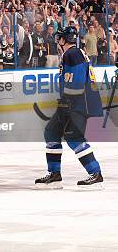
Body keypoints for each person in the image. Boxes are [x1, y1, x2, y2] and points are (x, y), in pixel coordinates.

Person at [35, 26, 104, 189]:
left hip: (78, 103)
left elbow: (78, 80)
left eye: (60, 38)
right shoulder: (73, 53)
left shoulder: (73, 54)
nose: (58, 41)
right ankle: (54, 173)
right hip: (72, 101)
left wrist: (68, 101)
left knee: (74, 137)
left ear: (64, 39)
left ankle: (95, 173)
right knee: (51, 132)